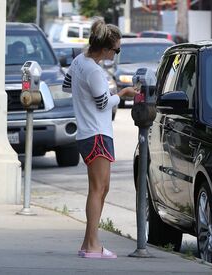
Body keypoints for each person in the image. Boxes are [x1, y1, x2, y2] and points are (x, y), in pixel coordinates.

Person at [62, 19, 139, 259]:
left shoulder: (78, 62)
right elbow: (104, 103)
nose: (117, 53)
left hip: (89, 132)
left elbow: (67, 87)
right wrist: (123, 93)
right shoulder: (94, 71)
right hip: (97, 133)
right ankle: (93, 245)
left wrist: (85, 95)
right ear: (105, 49)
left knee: (101, 188)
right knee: (98, 189)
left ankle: (89, 243)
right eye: (116, 50)